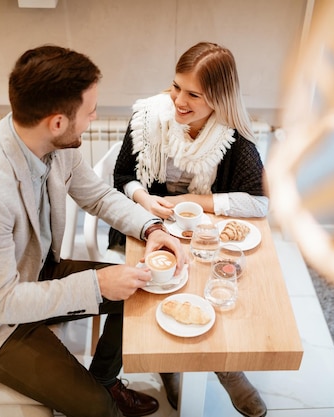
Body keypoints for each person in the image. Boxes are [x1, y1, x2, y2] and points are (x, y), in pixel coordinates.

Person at [0, 45, 186, 417]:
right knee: (97, 409)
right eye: (90, 111)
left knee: (143, 289)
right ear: (58, 122)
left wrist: (151, 227)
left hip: (34, 273)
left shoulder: (50, 143)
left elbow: (96, 195)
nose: (94, 118)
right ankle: (104, 399)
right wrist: (97, 286)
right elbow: (2, 303)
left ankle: (107, 380)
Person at [110, 41, 268, 417]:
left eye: (193, 94)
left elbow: (260, 202)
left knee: (211, 291)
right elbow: (122, 177)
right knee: (159, 291)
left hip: (201, 232)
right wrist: (145, 200)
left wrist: (197, 204)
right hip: (146, 223)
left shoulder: (233, 138)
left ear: (218, 98)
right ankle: (169, 365)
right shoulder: (149, 118)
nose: (179, 100)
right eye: (176, 86)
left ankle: (226, 370)